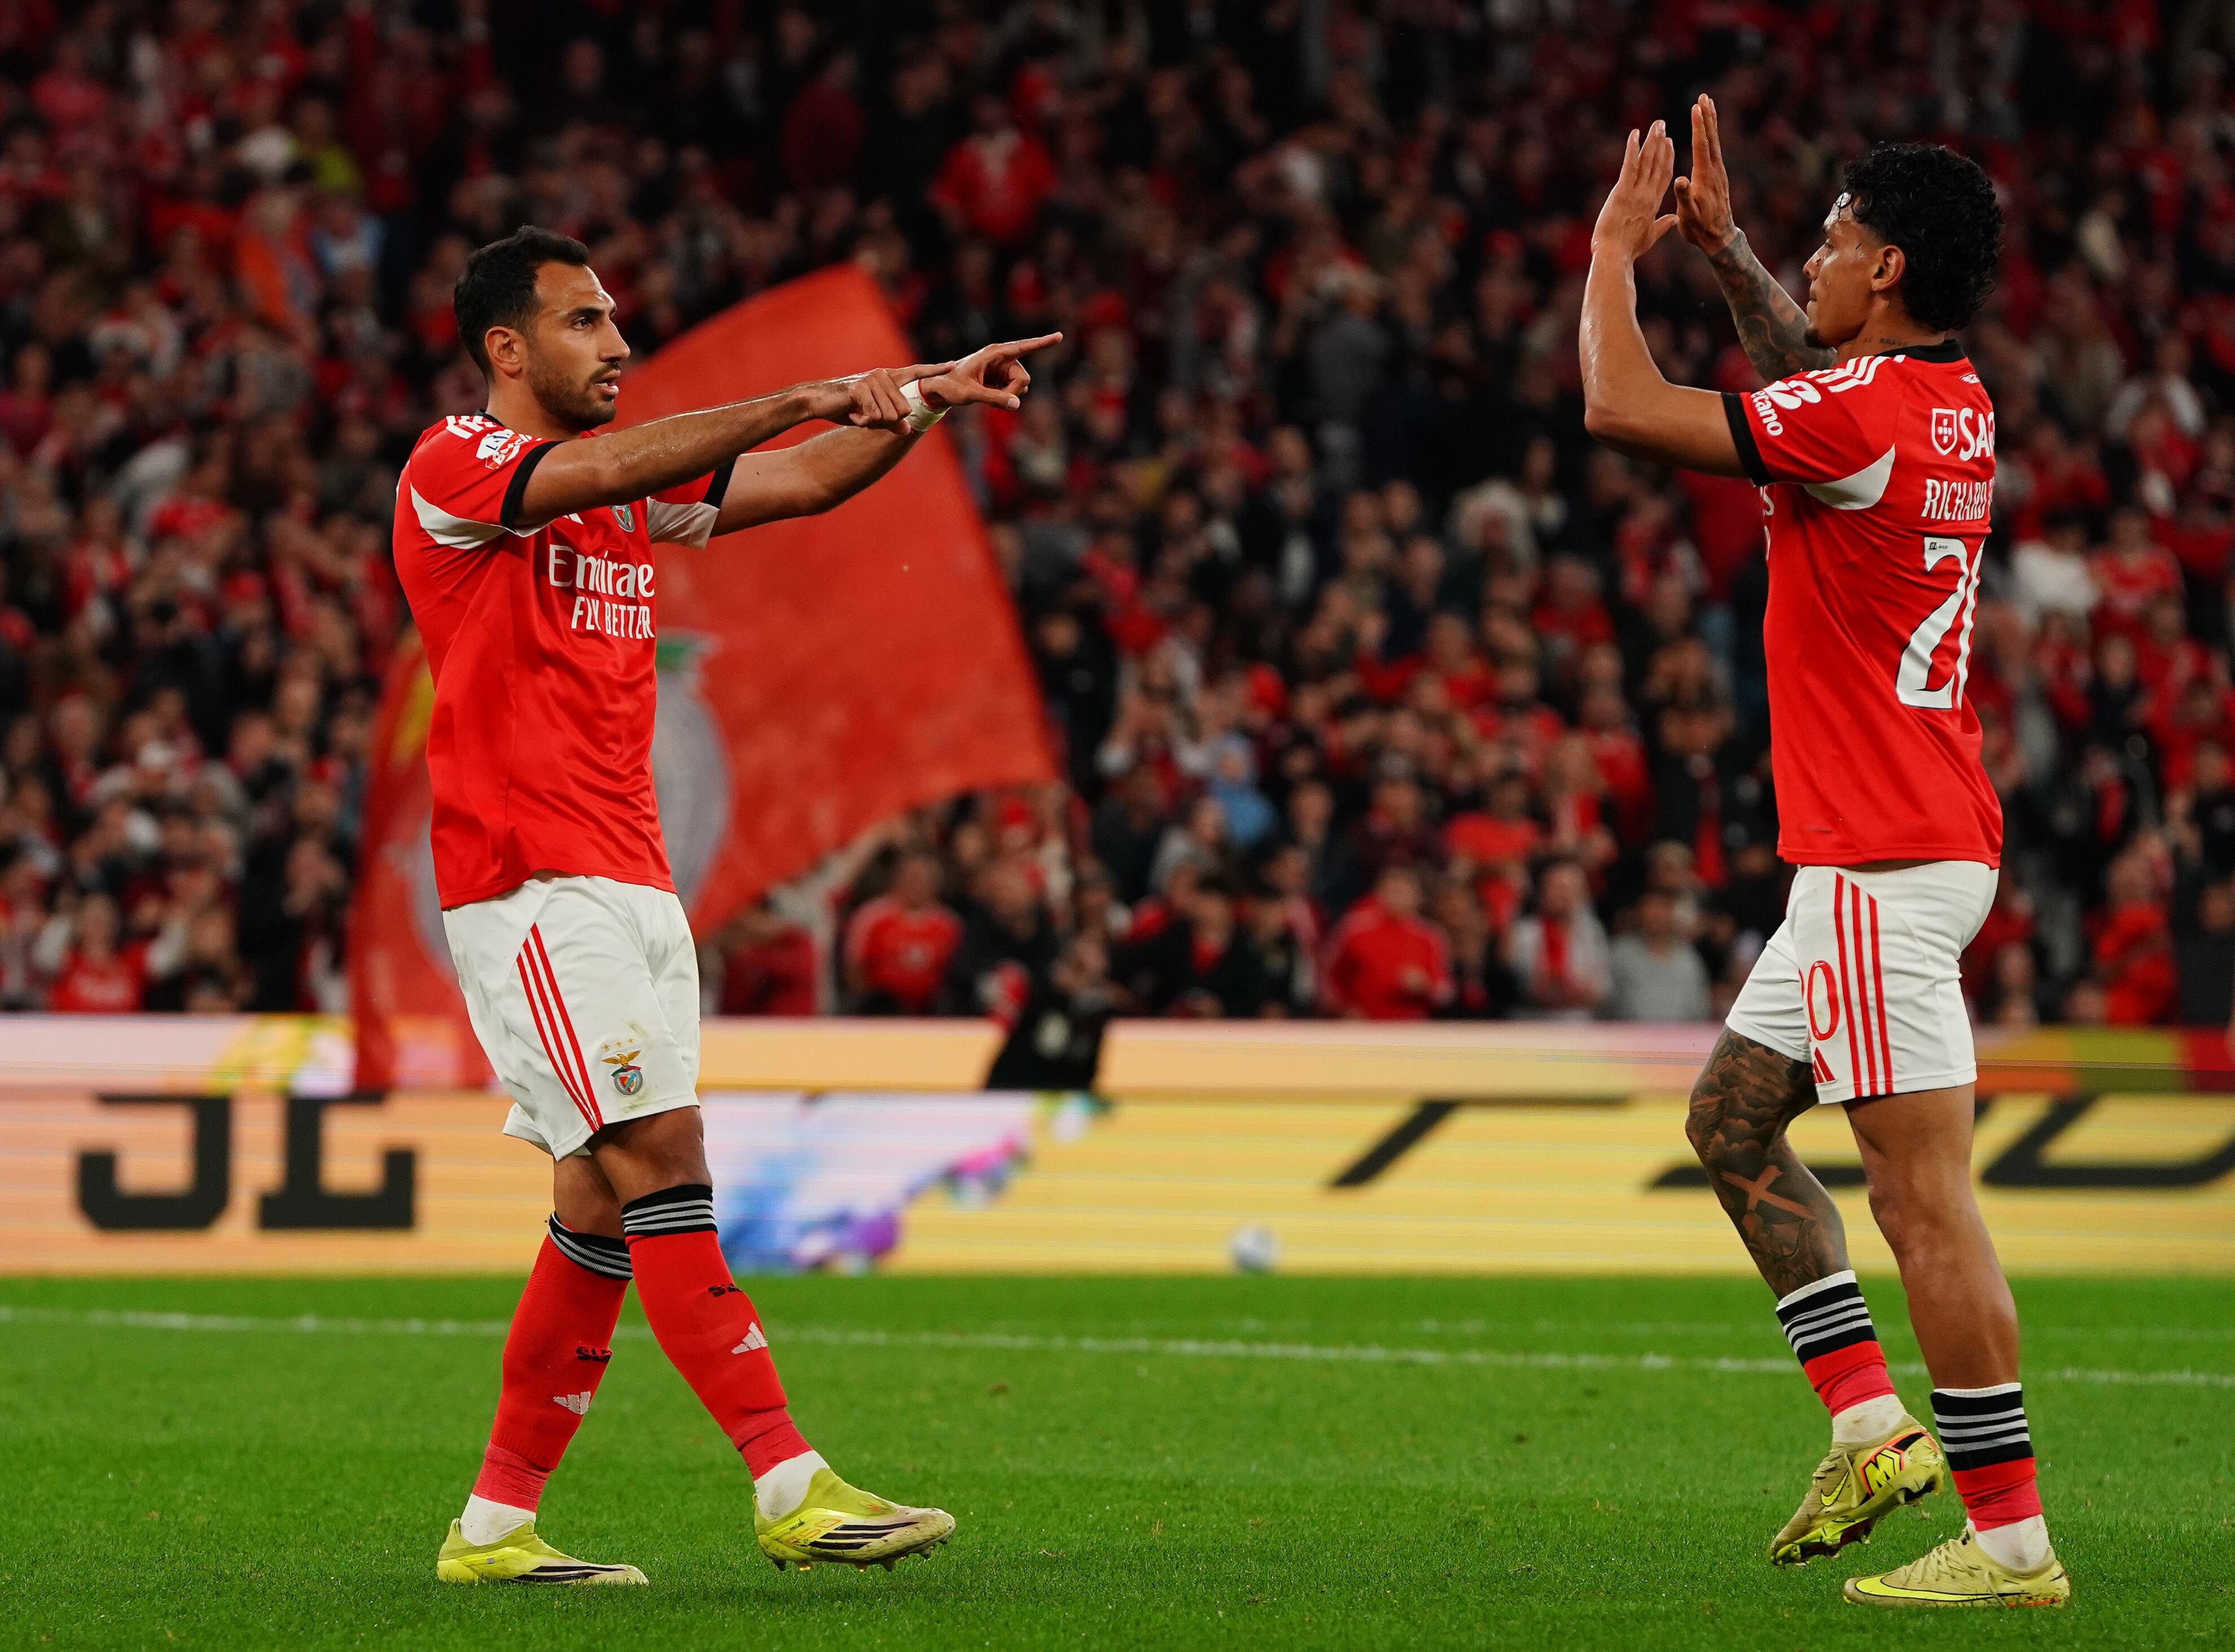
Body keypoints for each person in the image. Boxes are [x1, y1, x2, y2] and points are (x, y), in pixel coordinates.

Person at [393, 225, 1058, 1585]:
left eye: (616, 320)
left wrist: (921, 396)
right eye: (586, 323)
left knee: (596, 1203)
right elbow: (621, 462)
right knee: (665, 1164)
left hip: (633, 878)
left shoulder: (622, 500)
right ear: (506, 349)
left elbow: (808, 482)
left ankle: (495, 1527)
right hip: (532, 883)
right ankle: (790, 1481)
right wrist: (808, 386)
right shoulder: (456, 462)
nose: (619, 345)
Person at [1580, 104, 2067, 1606]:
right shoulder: (1943, 399)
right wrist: (1722, 249)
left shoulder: (1857, 417)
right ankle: (1866, 1423)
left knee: (1923, 1204)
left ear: (1892, 262)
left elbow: (1622, 406)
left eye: (1839, 235)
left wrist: (1616, 248)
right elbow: (1813, 370)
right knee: (1730, 1121)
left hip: (1876, 856)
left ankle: (2009, 1538)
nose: (1818, 253)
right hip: (1902, 845)